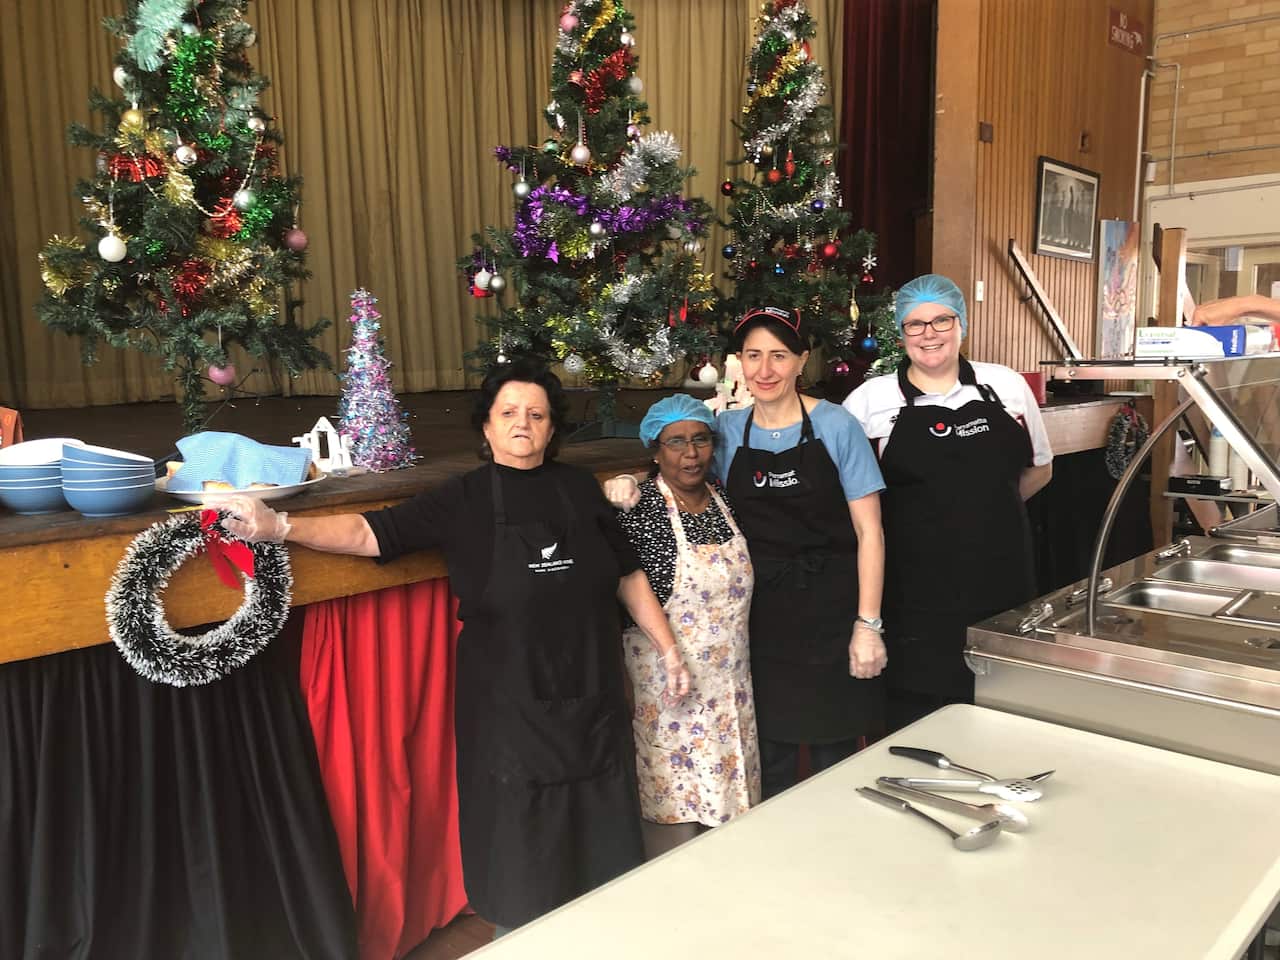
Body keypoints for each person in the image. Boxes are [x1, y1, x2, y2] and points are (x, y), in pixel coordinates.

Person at [222, 358, 690, 936]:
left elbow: (626, 573)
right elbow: (372, 533)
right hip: (510, 712)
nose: (524, 424)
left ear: (551, 428)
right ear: (488, 427)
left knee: (604, 846)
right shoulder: (464, 498)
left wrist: (667, 648)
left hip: (593, 699)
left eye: (537, 414)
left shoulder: (579, 490)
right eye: (510, 413)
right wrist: (282, 528)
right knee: (524, 856)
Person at [610, 307, 887, 799]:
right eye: (753, 356)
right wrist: (630, 480)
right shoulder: (727, 429)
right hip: (760, 623)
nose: (764, 370)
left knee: (836, 752)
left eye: (778, 356)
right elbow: (676, 458)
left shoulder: (837, 426)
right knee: (771, 757)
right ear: (738, 362)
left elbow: (871, 534)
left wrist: (867, 626)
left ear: (801, 360)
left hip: (831, 609)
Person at [843, 274, 1053, 731]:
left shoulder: (1008, 387)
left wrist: (981, 510)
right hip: (912, 592)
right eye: (915, 325)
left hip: (1002, 580)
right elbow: (852, 497)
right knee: (918, 719)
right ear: (901, 335)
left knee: (1002, 712)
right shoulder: (869, 401)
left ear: (963, 325)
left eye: (941, 320)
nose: (929, 333)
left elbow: (1041, 467)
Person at [617, 394, 759, 858]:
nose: (690, 454)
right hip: (668, 690)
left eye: (700, 440)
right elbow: (626, 583)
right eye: (675, 443)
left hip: (731, 687)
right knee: (676, 811)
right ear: (655, 451)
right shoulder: (642, 508)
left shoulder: (726, 501)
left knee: (734, 813)